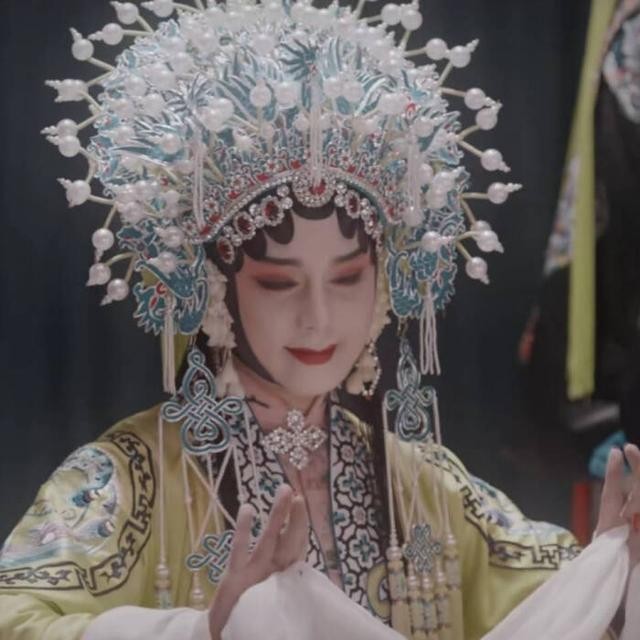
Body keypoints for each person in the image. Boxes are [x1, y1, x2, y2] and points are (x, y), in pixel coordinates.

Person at [0, 1, 638, 639]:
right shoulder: (131, 481)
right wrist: (197, 631)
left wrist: (609, 576)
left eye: (348, 277)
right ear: (215, 286)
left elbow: (545, 603)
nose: (319, 317)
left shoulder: (424, 488)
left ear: (383, 282)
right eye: (279, 283)